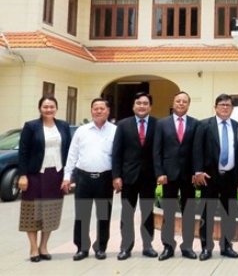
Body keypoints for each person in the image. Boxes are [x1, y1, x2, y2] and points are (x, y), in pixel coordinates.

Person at [17, 95, 72, 262]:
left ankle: (44, 246)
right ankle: (34, 249)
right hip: (34, 175)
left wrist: (68, 175)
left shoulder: (63, 125)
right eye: (45, 107)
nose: (49, 109)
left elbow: (69, 150)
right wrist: (23, 175)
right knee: (32, 212)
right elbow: (23, 152)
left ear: (56, 108)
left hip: (55, 175)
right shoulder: (31, 126)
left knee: (50, 212)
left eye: (52, 107)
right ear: (40, 108)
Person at [61, 98, 117, 261]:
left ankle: (101, 247)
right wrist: (67, 176)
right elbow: (72, 154)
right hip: (83, 178)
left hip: (105, 178)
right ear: (91, 111)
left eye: (102, 108)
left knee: (103, 215)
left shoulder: (115, 131)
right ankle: (81, 248)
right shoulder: (82, 131)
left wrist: (117, 177)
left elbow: (118, 156)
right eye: (95, 108)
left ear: (108, 111)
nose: (98, 111)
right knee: (81, 215)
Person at [193, 94, 238, 261]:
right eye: (221, 104)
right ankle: (206, 248)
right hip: (209, 177)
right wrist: (198, 171)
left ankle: (227, 246)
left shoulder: (237, 126)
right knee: (208, 213)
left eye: (228, 105)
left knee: (230, 213)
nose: (225, 107)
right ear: (215, 107)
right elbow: (197, 150)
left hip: (230, 177)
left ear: (232, 108)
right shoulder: (204, 125)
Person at [111, 92, 158, 260]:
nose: (142, 106)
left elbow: (158, 152)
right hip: (128, 177)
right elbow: (116, 152)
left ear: (150, 107)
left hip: (149, 177)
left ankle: (148, 245)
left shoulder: (156, 124)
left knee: (147, 211)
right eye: (138, 103)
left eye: (145, 103)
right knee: (127, 213)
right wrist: (116, 176)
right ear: (133, 106)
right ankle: (126, 247)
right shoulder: (123, 125)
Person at [154, 91, 199, 261]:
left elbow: (197, 151)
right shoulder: (162, 124)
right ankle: (168, 246)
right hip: (168, 175)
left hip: (189, 176)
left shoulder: (195, 124)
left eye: (184, 101)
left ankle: (187, 246)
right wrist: (159, 173)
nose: (181, 103)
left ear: (188, 104)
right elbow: (156, 151)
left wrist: (197, 172)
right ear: (173, 103)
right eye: (178, 101)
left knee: (189, 212)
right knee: (169, 211)